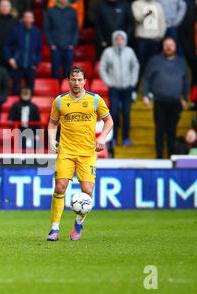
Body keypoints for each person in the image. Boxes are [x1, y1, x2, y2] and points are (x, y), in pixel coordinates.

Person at [46, 66, 113, 241]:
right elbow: (52, 124)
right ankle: (54, 229)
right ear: (68, 81)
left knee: (87, 191)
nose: (76, 83)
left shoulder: (95, 100)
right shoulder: (59, 101)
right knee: (60, 187)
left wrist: (102, 138)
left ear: (85, 81)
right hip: (66, 151)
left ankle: (79, 221)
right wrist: (52, 140)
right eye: (73, 79)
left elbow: (109, 121)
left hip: (87, 152)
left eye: (79, 80)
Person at [142, 37, 190, 159]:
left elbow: (186, 80)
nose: (168, 47)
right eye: (166, 45)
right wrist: (145, 95)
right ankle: (159, 157)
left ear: (175, 47)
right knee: (159, 130)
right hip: (160, 101)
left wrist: (185, 97)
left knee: (172, 131)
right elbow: (146, 79)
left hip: (175, 102)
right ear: (163, 46)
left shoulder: (181, 62)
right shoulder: (155, 60)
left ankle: (171, 157)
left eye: (171, 45)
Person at [99, 30, 139, 145]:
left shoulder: (130, 52)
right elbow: (102, 68)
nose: (119, 41)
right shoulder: (108, 52)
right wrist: (108, 82)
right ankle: (114, 138)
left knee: (126, 113)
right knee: (114, 114)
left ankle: (126, 138)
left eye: (121, 39)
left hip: (127, 88)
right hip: (114, 88)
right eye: (117, 39)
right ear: (114, 40)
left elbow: (135, 66)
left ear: (125, 40)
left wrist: (133, 82)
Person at [4, 10, 42, 95]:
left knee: (30, 90)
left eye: (30, 17)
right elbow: (7, 46)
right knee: (16, 90)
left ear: (33, 19)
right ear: (23, 18)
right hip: (17, 65)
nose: (28, 20)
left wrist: (35, 64)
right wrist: (10, 59)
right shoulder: (16, 30)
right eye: (26, 17)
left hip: (31, 67)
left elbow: (39, 51)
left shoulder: (37, 32)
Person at [44, 0, 79, 83]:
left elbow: (76, 29)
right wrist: (51, 44)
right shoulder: (50, 11)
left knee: (68, 71)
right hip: (55, 46)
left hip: (68, 46)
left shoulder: (72, 11)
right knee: (55, 70)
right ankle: (55, 90)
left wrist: (72, 43)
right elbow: (47, 29)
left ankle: (66, 90)